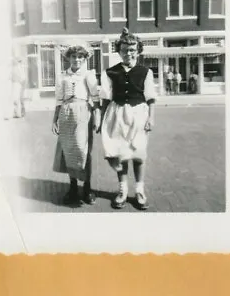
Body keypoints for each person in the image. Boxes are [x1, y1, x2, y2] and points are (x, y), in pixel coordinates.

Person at [98, 28, 157, 210]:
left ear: (138, 51)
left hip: (139, 114)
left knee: (138, 154)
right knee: (121, 153)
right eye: (125, 50)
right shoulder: (110, 72)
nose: (128, 53)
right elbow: (106, 98)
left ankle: (139, 190)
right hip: (117, 115)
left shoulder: (145, 72)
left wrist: (151, 118)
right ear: (119, 51)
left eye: (132, 50)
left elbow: (151, 97)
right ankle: (122, 190)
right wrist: (100, 120)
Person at [52, 42, 101, 206]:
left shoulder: (88, 75)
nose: (77, 60)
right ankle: (73, 187)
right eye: (74, 56)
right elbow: (59, 99)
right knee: (69, 150)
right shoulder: (63, 76)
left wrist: (97, 117)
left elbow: (95, 98)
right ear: (68, 58)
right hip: (66, 114)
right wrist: (55, 119)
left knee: (83, 150)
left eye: (80, 56)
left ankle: (87, 188)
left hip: (83, 114)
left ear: (85, 58)